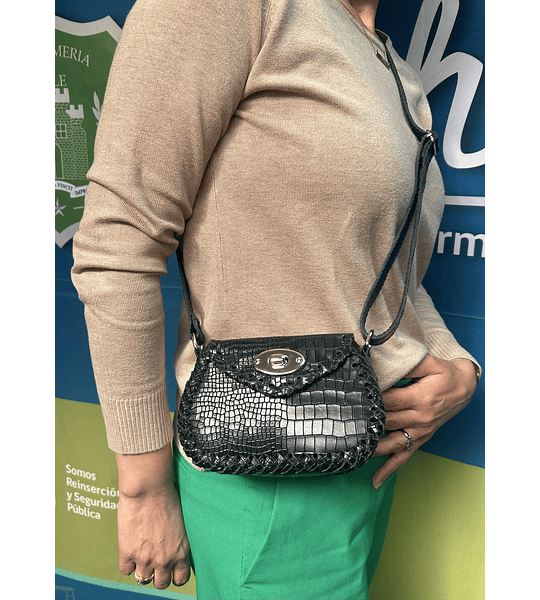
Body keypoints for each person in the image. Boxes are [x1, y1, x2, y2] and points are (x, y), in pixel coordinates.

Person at [71, 0, 481, 598]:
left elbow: (387, 273)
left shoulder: (394, 67)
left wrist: (455, 365)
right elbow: (119, 244)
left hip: (371, 455)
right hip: (263, 470)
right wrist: (143, 485)